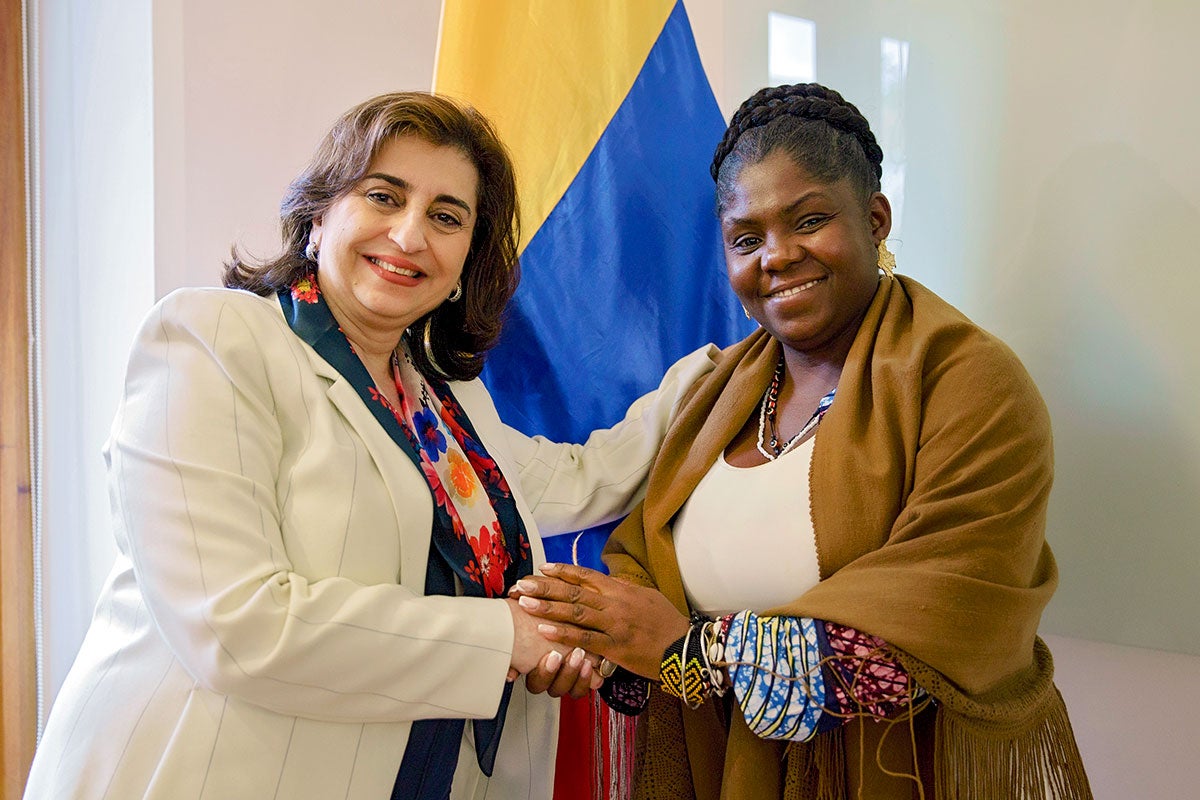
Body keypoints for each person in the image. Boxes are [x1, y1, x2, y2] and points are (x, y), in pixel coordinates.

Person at [21, 92, 717, 800]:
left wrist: (725, 371)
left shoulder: (447, 401)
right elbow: (236, 628)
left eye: (447, 217)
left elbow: (584, 479)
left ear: (466, 259)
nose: (411, 236)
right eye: (384, 196)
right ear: (319, 216)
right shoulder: (214, 340)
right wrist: (507, 636)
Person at [513, 83, 1093, 799]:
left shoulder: (969, 382)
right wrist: (588, 638)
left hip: (906, 775)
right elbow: (641, 564)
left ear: (875, 219)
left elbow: (932, 631)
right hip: (714, 768)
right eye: (746, 238)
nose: (777, 256)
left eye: (809, 220)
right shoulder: (711, 391)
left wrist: (683, 648)